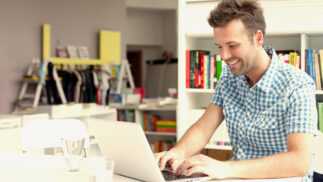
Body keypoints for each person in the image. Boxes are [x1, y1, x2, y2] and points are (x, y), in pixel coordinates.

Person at [154, 0, 317, 181]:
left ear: (258, 38)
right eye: (219, 47)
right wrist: (177, 153)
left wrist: (224, 167)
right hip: (236, 177)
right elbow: (203, 128)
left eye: (232, 46)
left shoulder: (298, 85)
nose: (224, 56)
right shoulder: (229, 78)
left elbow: (299, 162)